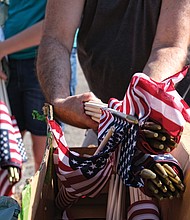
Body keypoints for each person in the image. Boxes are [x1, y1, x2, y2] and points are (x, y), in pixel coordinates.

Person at [37, 1, 190, 136]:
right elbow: (56, 38)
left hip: (173, 118)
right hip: (105, 118)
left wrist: (135, 108)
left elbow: (169, 46)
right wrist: (59, 101)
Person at [0, 1, 79, 171]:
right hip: (8, 63)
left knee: (44, 158)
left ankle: (39, 197)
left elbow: (57, 27)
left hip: (45, 62)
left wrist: (1, 49)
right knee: (7, 154)